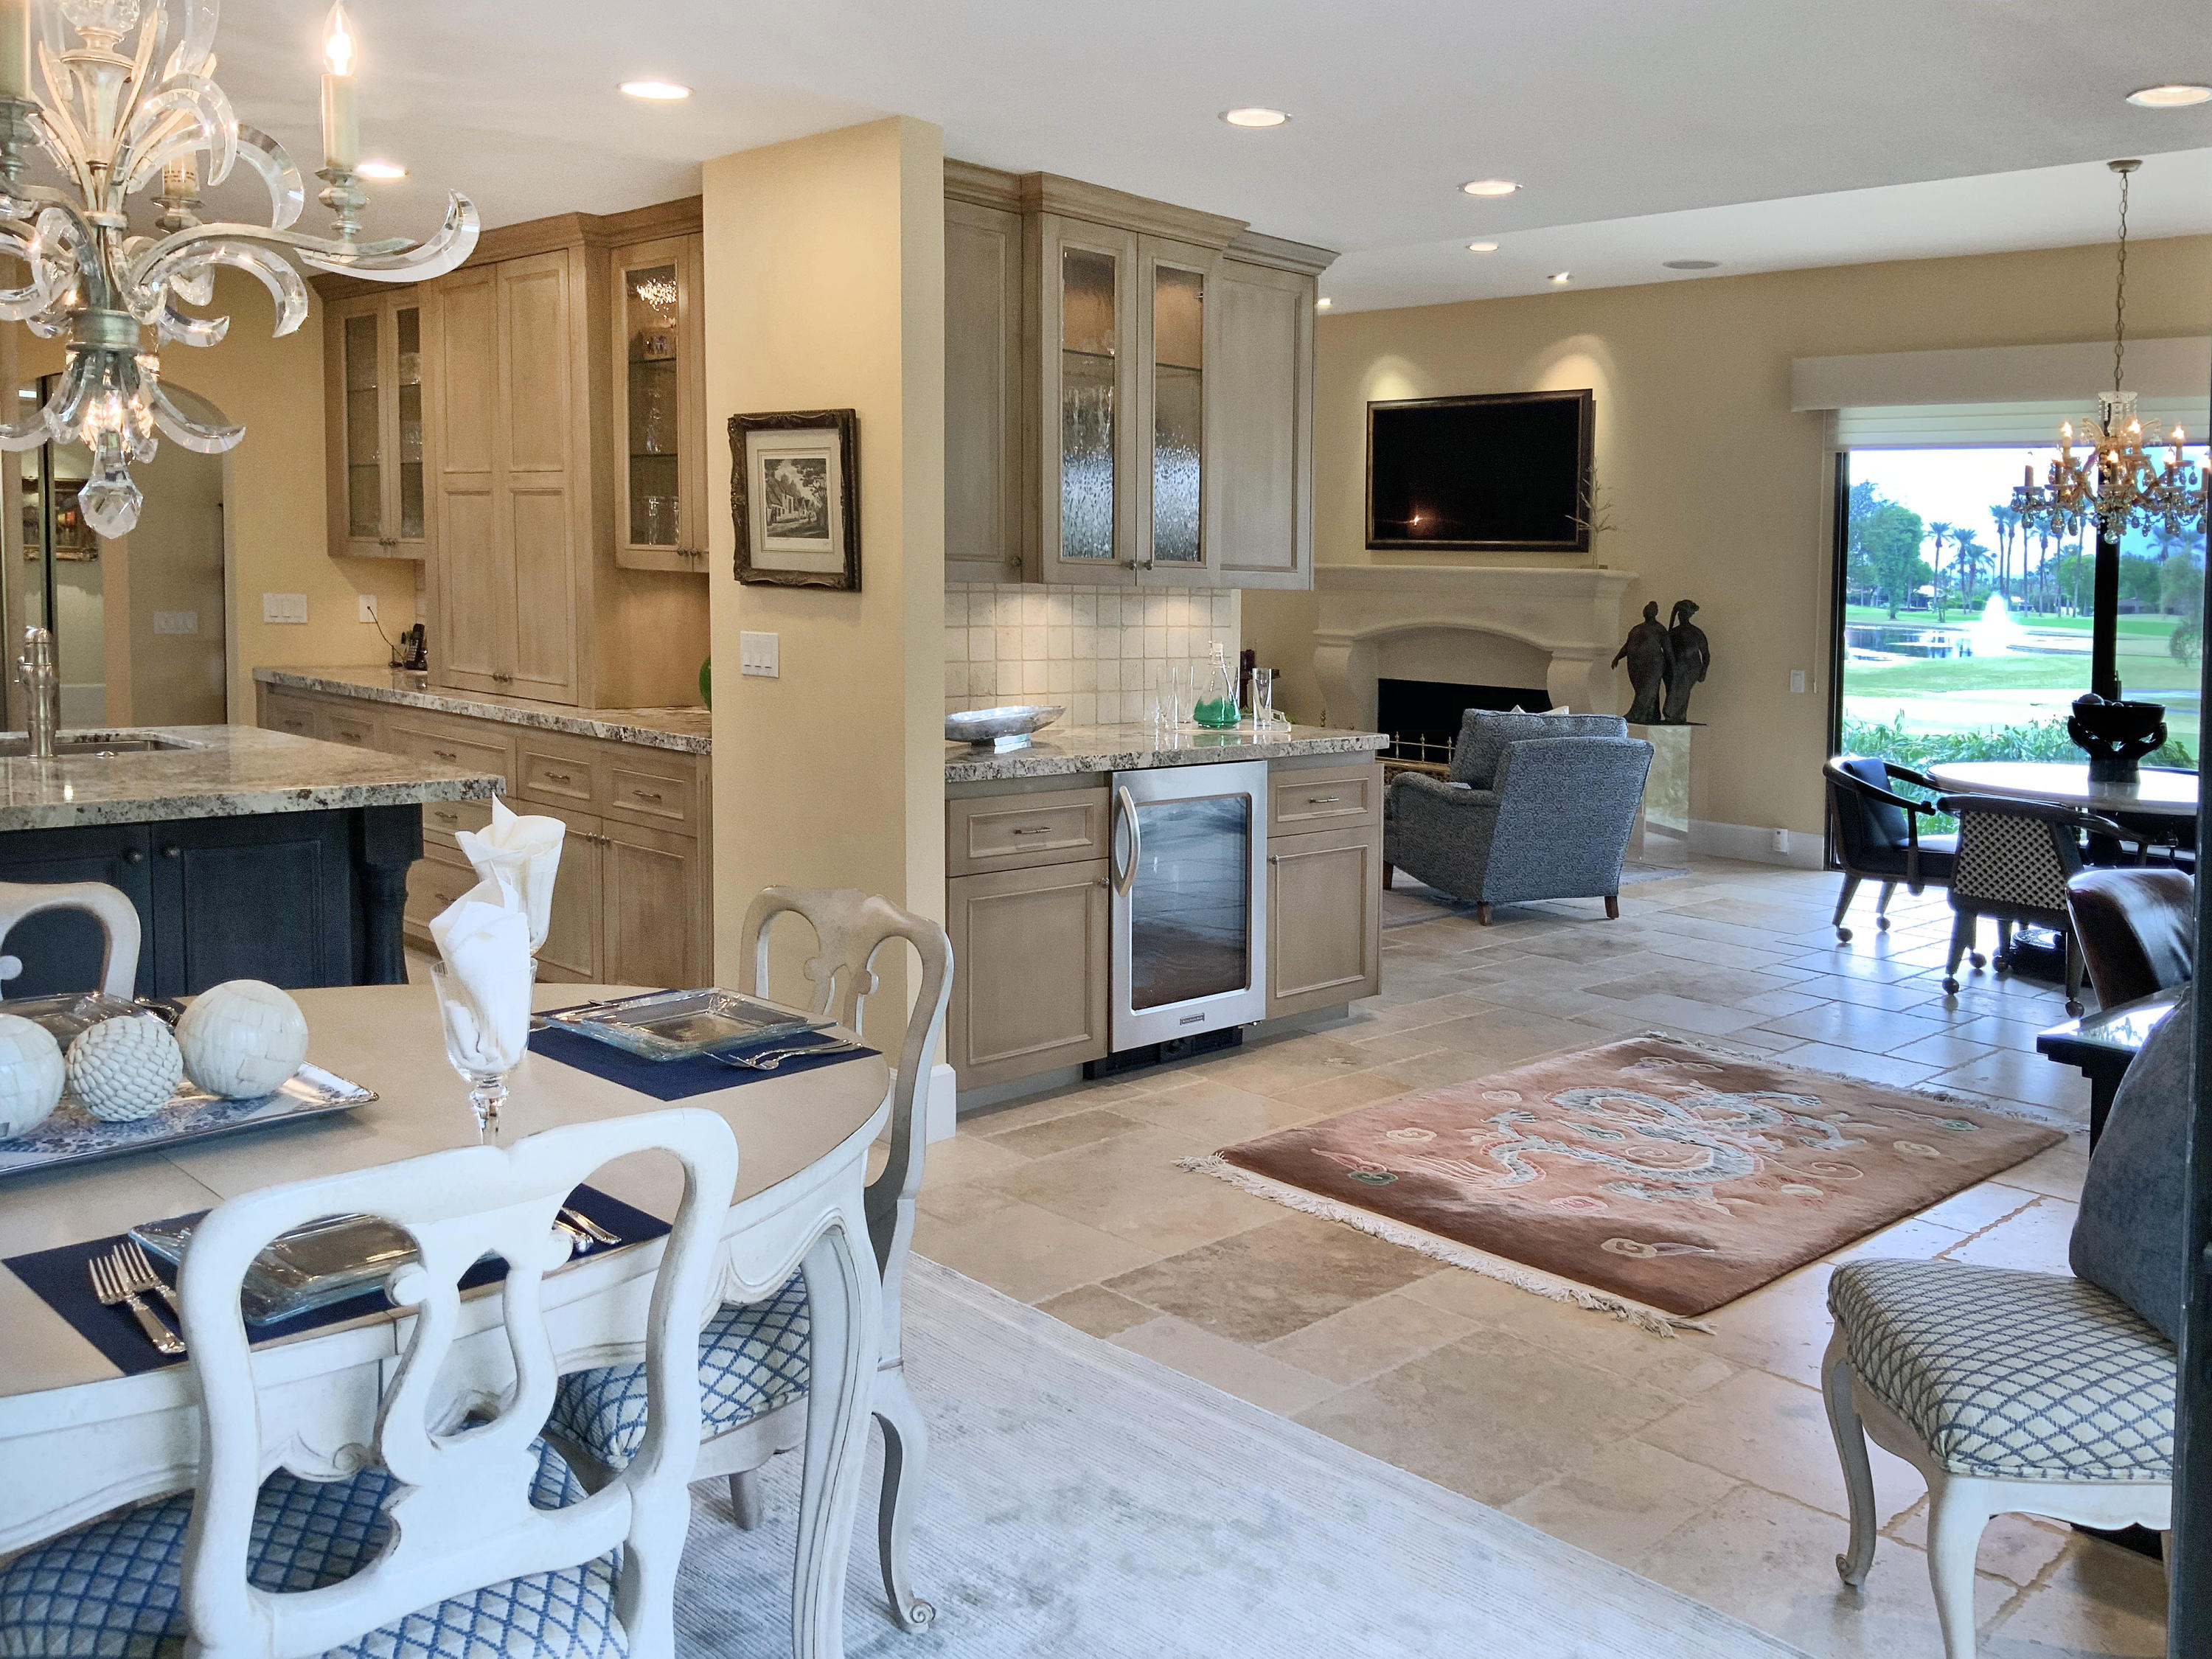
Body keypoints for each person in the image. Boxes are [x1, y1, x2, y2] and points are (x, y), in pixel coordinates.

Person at [1613, 601, 1670, 724]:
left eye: (1651, 610)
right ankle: (1651, 714)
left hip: (1653, 665)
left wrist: (1672, 666)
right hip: (1636, 665)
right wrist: (1618, 657)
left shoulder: (1659, 629)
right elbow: (1628, 646)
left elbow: (1668, 649)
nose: (1648, 612)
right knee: (1642, 690)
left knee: (1648, 690)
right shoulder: (1637, 629)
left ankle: (1635, 714)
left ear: (1655, 613)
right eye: (1647, 610)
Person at [1662, 599, 1710, 723]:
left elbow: (1706, 654)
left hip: (1691, 668)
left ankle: (1677, 716)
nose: (1681, 616)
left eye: (1683, 614)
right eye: (1680, 614)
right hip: (1675, 668)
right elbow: (1667, 652)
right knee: (1674, 691)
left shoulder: (1696, 633)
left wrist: (1703, 671)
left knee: (1682, 692)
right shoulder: (1673, 633)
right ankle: (1675, 717)